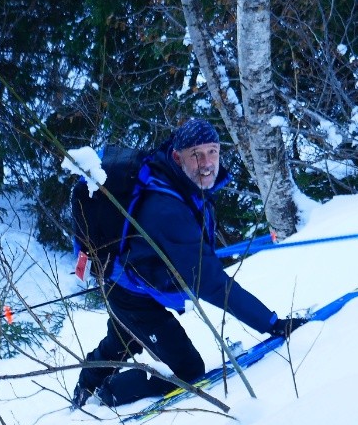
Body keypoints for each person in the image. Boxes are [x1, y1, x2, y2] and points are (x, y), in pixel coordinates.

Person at [71, 118, 307, 408]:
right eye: (196, 154)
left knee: (126, 334)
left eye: (213, 151)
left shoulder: (181, 182)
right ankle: (111, 393)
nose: (207, 162)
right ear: (177, 156)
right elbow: (210, 284)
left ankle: (87, 383)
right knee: (189, 369)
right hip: (131, 291)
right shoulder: (166, 209)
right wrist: (272, 324)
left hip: (138, 278)